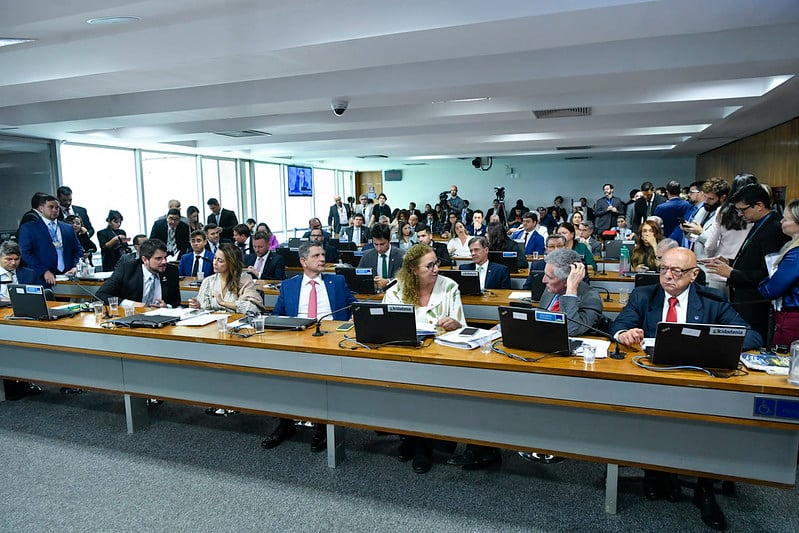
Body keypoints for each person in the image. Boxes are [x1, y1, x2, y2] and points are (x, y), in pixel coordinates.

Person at [610, 247, 761, 531]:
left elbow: (751, 334)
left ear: (693, 275)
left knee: (708, 423)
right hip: (653, 380)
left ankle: (704, 487)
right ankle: (655, 472)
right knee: (641, 414)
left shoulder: (713, 301)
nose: (668, 276)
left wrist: (710, 344)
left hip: (700, 383)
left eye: (676, 271)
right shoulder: (644, 296)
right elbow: (617, 326)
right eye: (664, 269)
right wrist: (625, 334)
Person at [263, 242, 356, 452]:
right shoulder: (289, 285)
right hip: (297, 341)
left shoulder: (337, 281)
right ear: (303, 261)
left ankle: (322, 426)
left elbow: (354, 306)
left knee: (323, 381)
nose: (322, 259)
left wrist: (352, 319)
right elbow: (277, 316)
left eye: (323, 255)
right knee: (282, 377)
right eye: (316, 256)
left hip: (331, 342)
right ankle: (285, 423)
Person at [384, 243, 464, 473]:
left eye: (436, 263)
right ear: (413, 270)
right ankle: (411, 438)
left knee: (424, 390)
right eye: (429, 266)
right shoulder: (396, 290)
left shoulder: (449, 287)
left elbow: (463, 328)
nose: (436, 269)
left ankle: (421, 445)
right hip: (404, 355)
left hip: (439, 359)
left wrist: (455, 324)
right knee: (404, 389)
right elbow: (386, 325)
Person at [704, 183, 789, 341]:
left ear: (759, 206)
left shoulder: (772, 227)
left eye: (743, 210)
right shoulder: (760, 223)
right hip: (744, 298)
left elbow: (768, 273)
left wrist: (732, 273)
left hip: (755, 303)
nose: (740, 214)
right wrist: (730, 262)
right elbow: (754, 259)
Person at [698, 174, 758, 291]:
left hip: (719, 269)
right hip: (744, 271)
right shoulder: (756, 213)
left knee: (717, 306)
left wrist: (712, 258)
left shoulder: (722, 210)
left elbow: (710, 244)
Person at [0, 240, 43, 399]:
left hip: (26, 318)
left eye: (16, 259)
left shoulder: (28, 273)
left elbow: (41, 297)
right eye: (8, 259)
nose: (13, 263)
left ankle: (25, 379)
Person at [758, 199, 799, 346]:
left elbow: (771, 290)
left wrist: (763, 281)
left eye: (786, 219)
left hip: (792, 320)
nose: (781, 221)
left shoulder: (796, 254)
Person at [18, 194, 83, 286]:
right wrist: (43, 271)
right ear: (41, 208)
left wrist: (75, 266)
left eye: (57, 207)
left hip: (67, 277)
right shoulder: (29, 228)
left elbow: (78, 250)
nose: (55, 210)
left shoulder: (67, 228)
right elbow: (25, 253)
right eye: (51, 207)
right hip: (41, 278)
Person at [96, 239, 181, 308]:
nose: (164, 262)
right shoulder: (127, 269)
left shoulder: (171, 271)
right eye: (158, 259)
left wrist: (167, 307)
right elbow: (101, 294)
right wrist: (132, 304)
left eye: (165, 257)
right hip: (132, 316)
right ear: (144, 259)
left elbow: (176, 301)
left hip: (162, 319)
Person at [188, 244, 262, 315]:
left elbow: (252, 308)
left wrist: (223, 303)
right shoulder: (208, 281)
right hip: (213, 325)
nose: (215, 263)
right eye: (214, 258)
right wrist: (197, 306)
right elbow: (203, 310)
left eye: (220, 260)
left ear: (231, 263)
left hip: (237, 324)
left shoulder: (244, 280)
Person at [677, 177, 728, 256]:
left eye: (711, 199)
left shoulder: (728, 217)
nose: (706, 201)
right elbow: (696, 240)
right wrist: (687, 232)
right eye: (705, 197)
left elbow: (723, 248)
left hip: (711, 264)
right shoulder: (703, 210)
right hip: (697, 260)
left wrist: (701, 233)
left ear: (722, 198)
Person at [358, 224, 404, 289]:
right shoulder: (367, 256)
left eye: (382, 244)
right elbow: (359, 277)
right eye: (376, 244)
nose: (379, 248)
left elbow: (407, 278)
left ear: (389, 239)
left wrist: (388, 281)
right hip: (373, 296)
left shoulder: (401, 255)